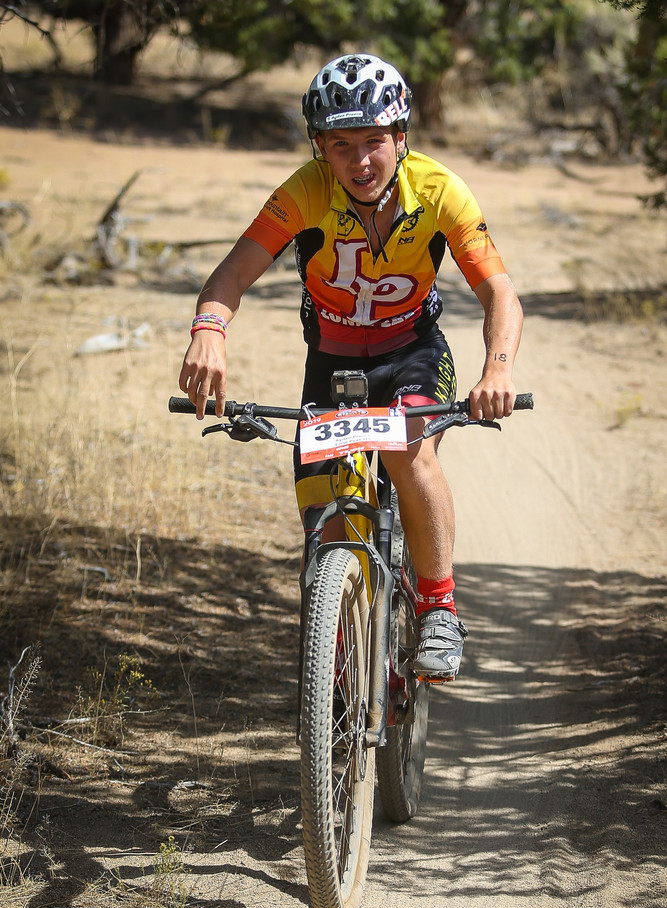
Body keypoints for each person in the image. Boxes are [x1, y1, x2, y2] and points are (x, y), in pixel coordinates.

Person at [178, 53, 523, 681]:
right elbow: (229, 275)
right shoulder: (304, 192)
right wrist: (209, 332)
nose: (360, 161)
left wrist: (496, 369)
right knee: (327, 519)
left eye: (373, 142)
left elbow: (499, 292)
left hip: (414, 353)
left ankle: (439, 607)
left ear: (400, 136)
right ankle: (336, 656)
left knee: (407, 450)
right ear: (320, 148)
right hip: (331, 364)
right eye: (341, 145)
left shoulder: (440, 191)